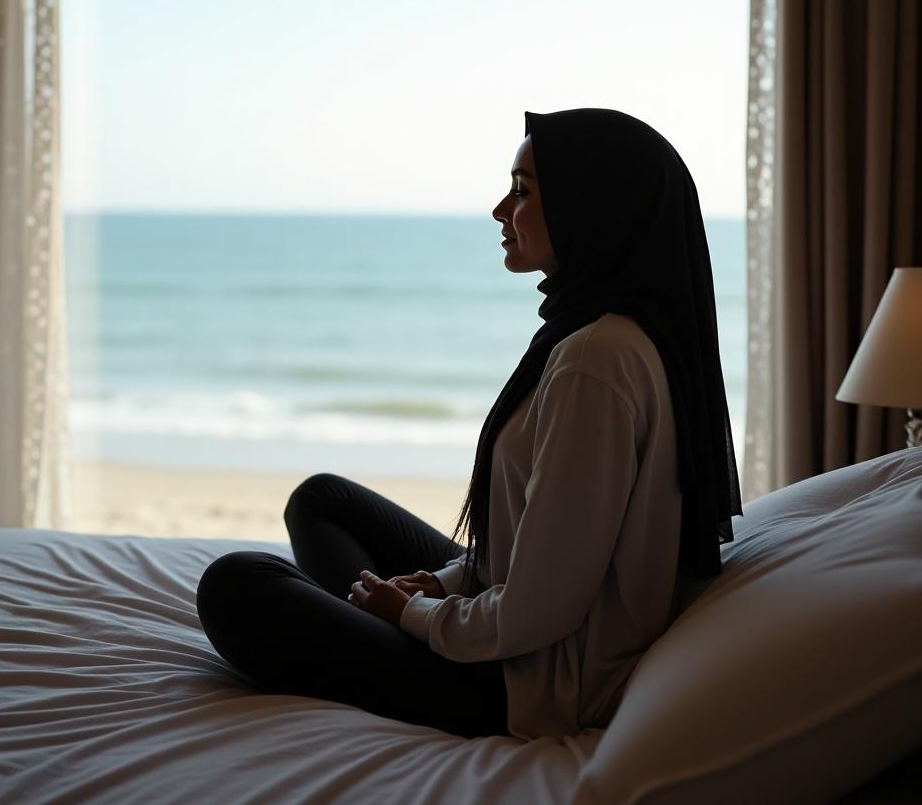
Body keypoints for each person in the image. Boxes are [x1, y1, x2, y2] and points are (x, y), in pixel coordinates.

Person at [196, 107, 742, 740]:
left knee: (237, 585)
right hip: (517, 625)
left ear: (589, 206)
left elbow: (542, 612)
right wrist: (442, 581)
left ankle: (366, 636)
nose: (499, 210)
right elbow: (547, 551)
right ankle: (364, 626)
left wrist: (414, 614)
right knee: (322, 499)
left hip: (528, 682)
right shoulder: (598, 331)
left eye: (523, 191)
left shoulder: (595, 359)